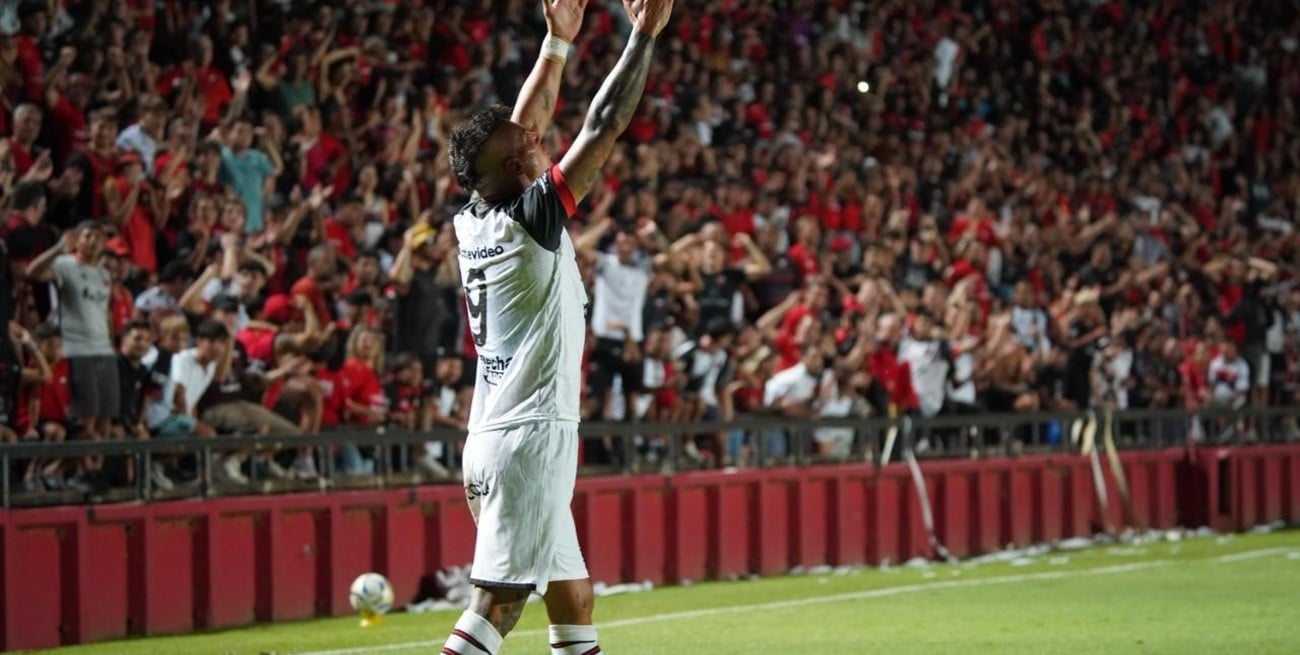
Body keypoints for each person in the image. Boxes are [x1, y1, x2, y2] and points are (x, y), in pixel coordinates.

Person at [438, 1, 673, 654]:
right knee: (499, 604)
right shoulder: (530, 218)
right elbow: (603, 124)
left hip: (492, 436)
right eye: (531, 149)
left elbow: (518, 127)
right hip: (529, 440)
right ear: (517, 170)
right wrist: (643, 38)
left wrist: (556, 44)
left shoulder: (474, 218)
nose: (538, 141)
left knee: (572, 595)